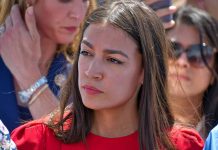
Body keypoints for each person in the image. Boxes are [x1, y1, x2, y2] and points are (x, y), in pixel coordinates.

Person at [11, 1, 204, 149]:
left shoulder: (182, 145)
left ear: (145, 71)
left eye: (113, 60)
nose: (91, 71)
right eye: (86, 53)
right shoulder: (34, 141)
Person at [0, 0, 96, 132]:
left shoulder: (87, 76)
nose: (78, 14)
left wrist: (30, 78)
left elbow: (72, 142)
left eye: (85, 0)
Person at [166, 6, 218, 139]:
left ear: (214, 71)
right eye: (172, 49)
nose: (182, 62)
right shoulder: (125, 124)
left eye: (199, 53)